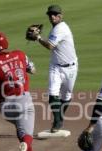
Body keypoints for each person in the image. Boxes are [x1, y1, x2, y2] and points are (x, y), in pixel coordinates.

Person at [33, 4, 78, 133]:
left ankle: (59, 118)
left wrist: (38, 38)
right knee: (53, 93)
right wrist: (39, 38)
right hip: (56, 67)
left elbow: (50, 46)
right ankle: (58, 121)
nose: (52, 16)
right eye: (50, 14)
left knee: (67, 95)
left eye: (55, 14)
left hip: (71, 67)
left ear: (60, 16)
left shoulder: (61, 28)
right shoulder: (55, 28)